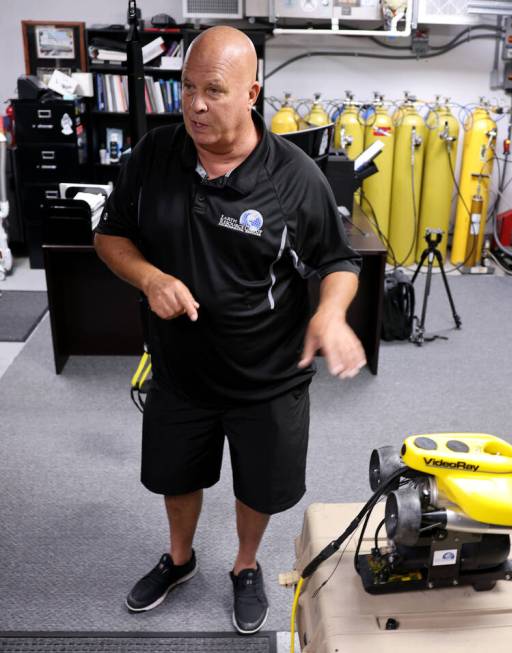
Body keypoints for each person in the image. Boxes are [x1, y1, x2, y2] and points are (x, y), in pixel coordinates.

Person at [94, 26, 365, 635]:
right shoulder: (153, 156)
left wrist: (328, 312)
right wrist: (148, 278)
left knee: (259, 487)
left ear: (251, 93)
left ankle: (245, 566)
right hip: (179, 368)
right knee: (177, 476)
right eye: (187, 87)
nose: (195, 104)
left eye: (213, 90)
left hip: (266, 375)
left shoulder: (294, 178)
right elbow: (109, 235)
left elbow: (337, 261)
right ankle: (181, 559)